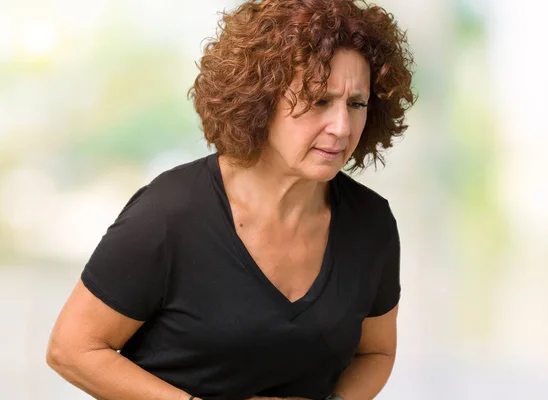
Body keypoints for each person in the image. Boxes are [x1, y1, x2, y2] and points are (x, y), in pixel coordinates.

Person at [46, 0, 416, 399]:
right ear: (261, 100)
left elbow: (376, 351)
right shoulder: (170, 214)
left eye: (356, 104)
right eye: (319, 101)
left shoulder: (370, 222)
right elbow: (71, 349)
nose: (342, 127)